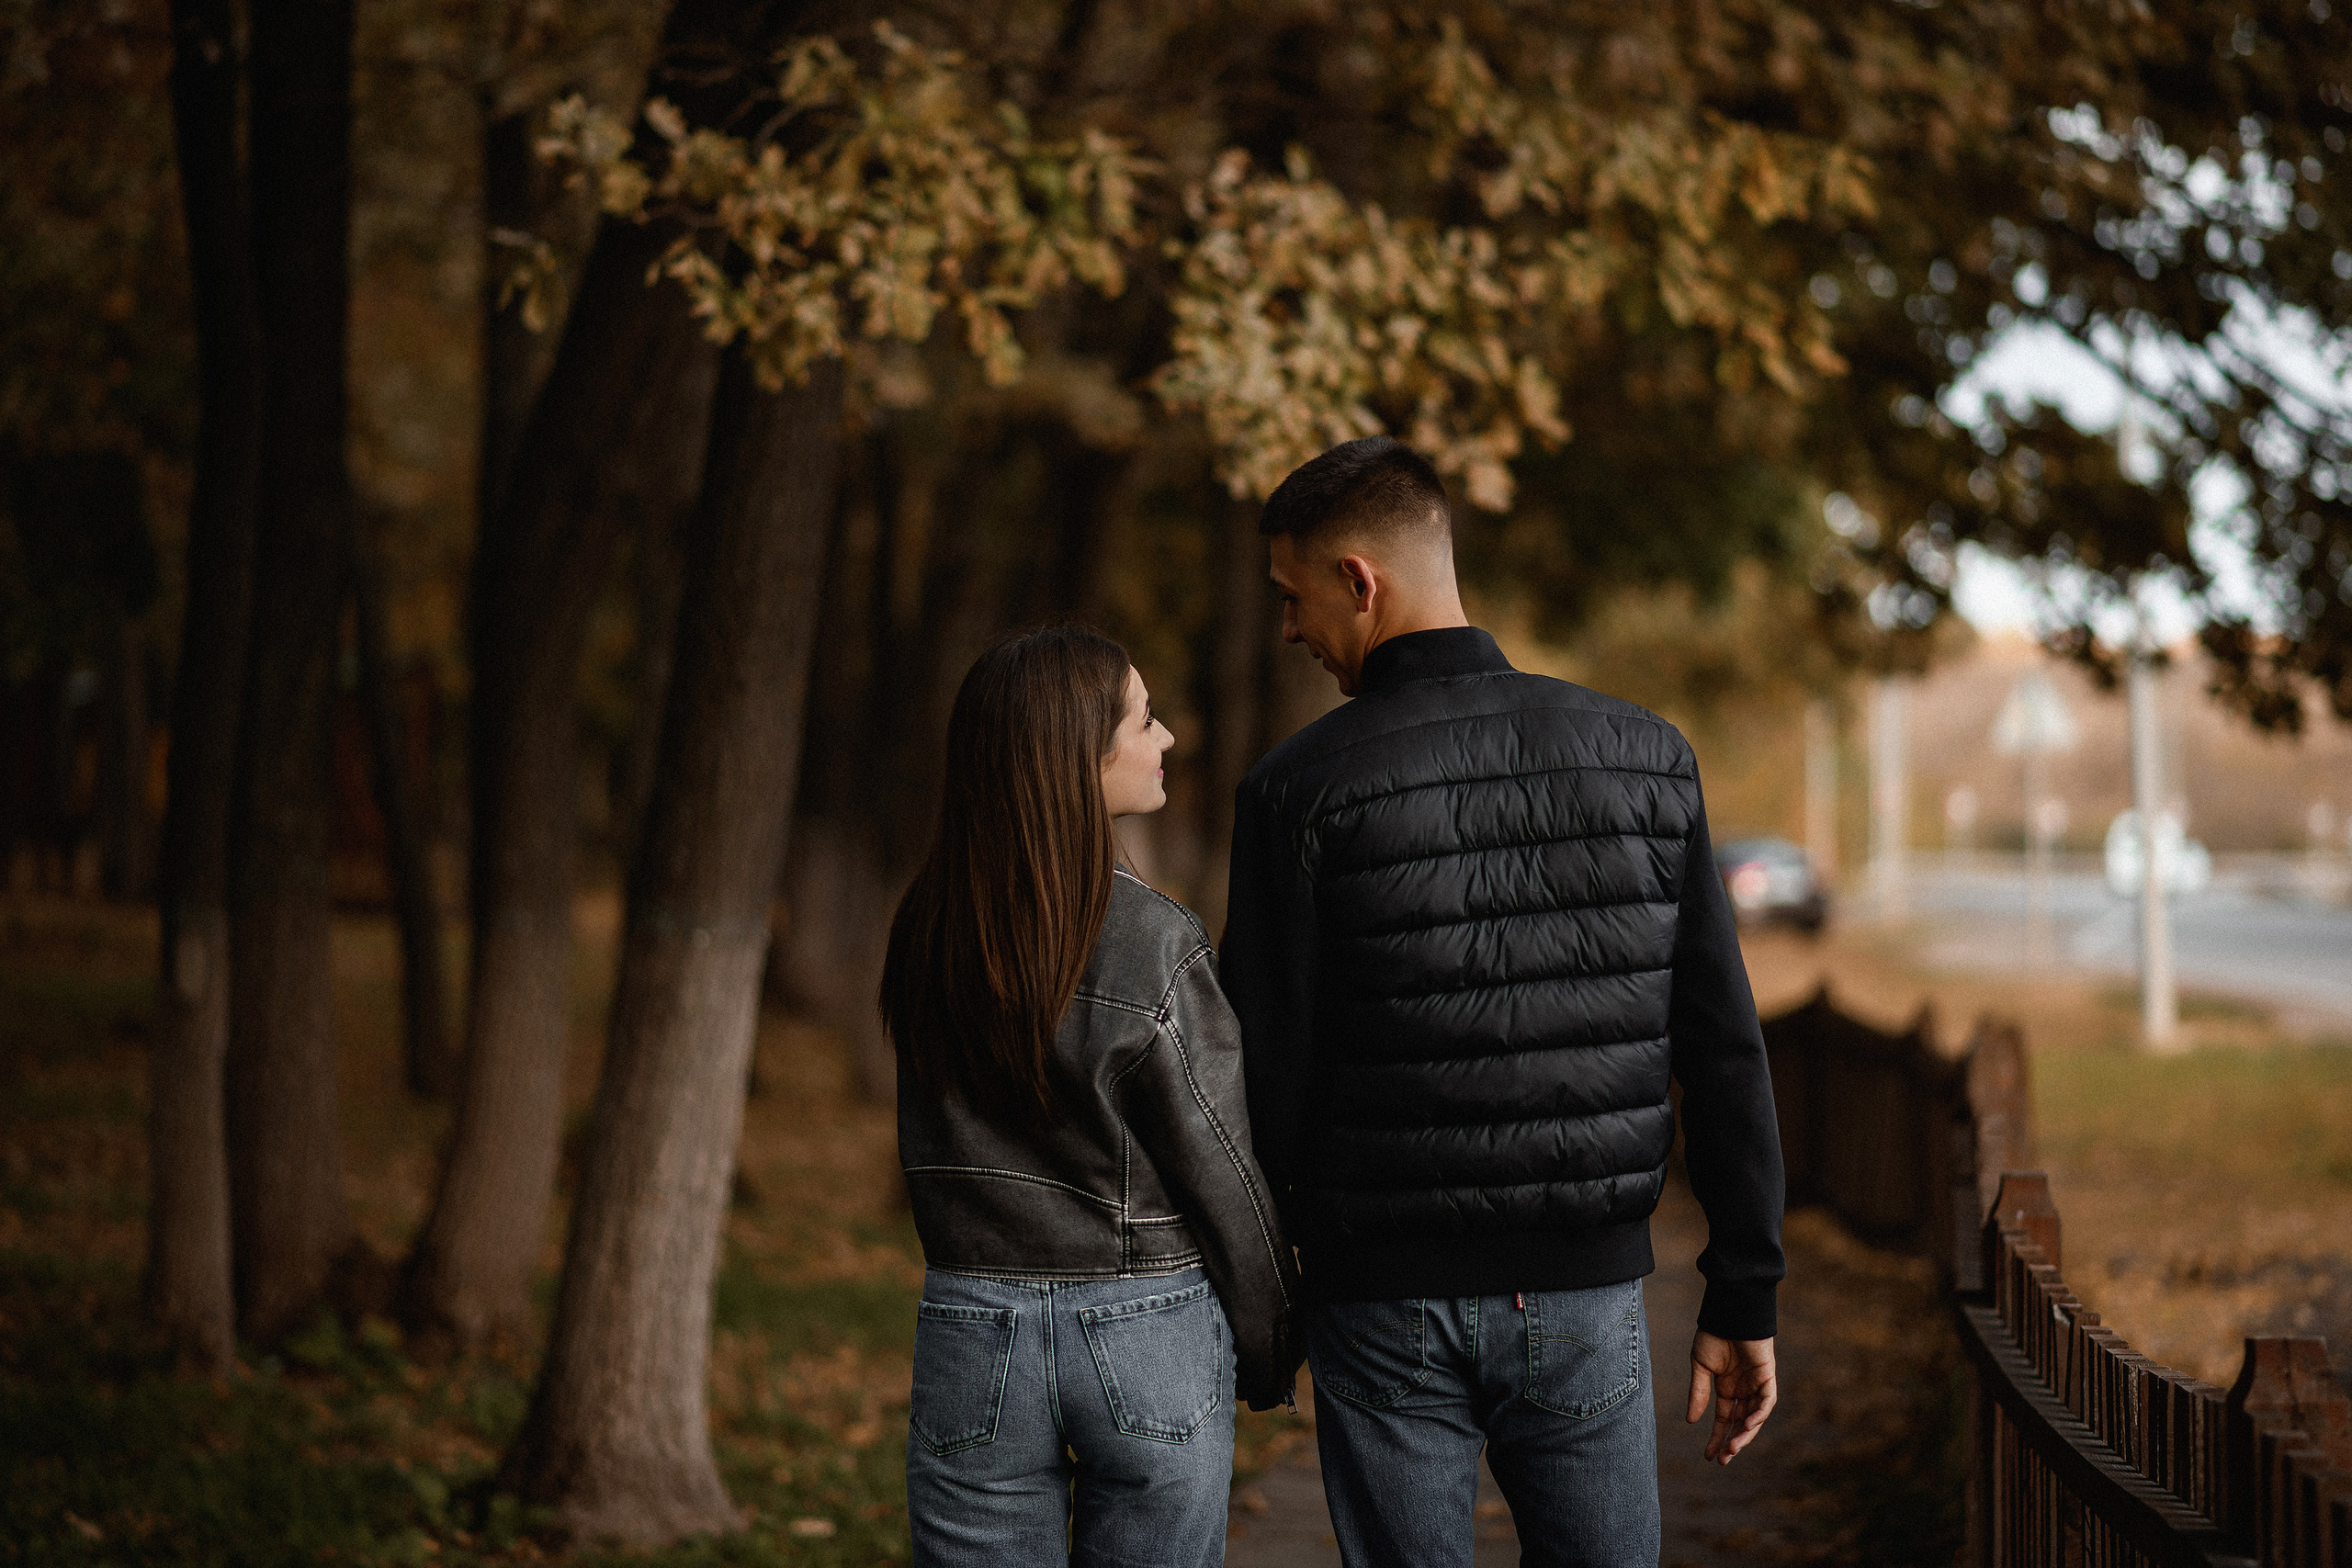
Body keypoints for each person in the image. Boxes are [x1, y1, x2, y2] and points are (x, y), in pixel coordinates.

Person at [1219, 437, 1786, 1568]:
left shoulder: (1295, 791)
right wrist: (1743, 1292)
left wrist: (1265, 1305)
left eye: (1292, 597)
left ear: (1359, 581)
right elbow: (1721, 1045)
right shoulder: (1645, 758)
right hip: (1583, 1294)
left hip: (1378, 1301)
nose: (1287, 628)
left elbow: (1260, 1079)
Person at [883, 625, 1300, 1568]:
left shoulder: (927, 926)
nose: (1167, 738)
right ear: (1078, 756)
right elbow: (1222, 1165)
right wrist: (1271, 1334)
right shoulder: (1156, 940)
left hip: (971, 1321)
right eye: (1145, 721)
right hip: (1144, 1323)